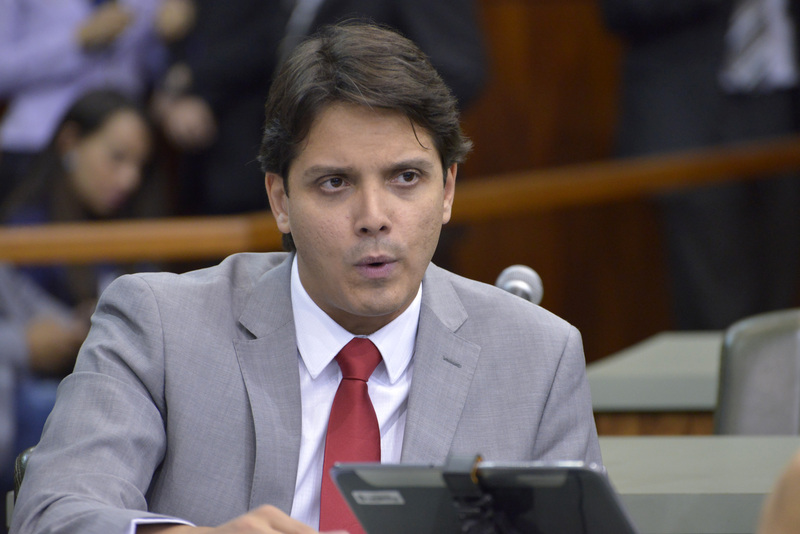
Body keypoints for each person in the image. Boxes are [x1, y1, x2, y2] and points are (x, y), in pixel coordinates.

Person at [10, 22, 601, 534]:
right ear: (280, 200)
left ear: (447, 190)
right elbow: (53, 512)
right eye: (335, 183)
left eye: (406, 178)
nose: (374, 218)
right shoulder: (159, 327)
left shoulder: (538, 357)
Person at [600, 0, 800, 330]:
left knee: (779, 309)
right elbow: (623, 10)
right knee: (716, 308)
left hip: (782, 108)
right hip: (693, 117)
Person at [0, 88, 157, 508]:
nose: (130, 179)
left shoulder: (141, 232)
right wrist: (27, 344)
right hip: (30, 395)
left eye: (139, 165)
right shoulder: (19, 233)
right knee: (47, 406)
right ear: (70, 142)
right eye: (116, 157)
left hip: (110, 392)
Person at [0, 0, 194, 205]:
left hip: (124, 147)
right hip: (36, 141)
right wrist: (75, 41)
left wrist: (170, 41)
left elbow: (153, 71)